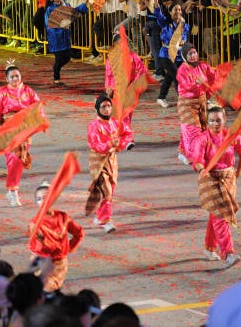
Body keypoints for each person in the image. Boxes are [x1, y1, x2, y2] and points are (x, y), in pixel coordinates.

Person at [188, 106, 241, 268]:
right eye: (211, 120)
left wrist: (238, 171)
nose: (215, 123)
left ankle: (209, 247)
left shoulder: (231, 136)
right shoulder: (202, 139)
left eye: (218, 120)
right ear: (207, 121)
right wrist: (201, 169)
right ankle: (228, 253)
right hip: (210, 179)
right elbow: (197, 160)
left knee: (216, 214)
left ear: (224, 120)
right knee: (221, 216)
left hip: (228, 179)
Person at [0, 64, 41, 207]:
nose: (15, 78)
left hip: (24, 129)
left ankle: (12, 189)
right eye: (12, 76)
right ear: (7, 78)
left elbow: (37, 107)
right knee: (13, 159)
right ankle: (13, 191)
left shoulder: (28, 91)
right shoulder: (2, 93)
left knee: (19, 160)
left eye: (17, 76)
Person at [85, 94, 133, 233]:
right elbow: (96, 144)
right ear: (97, 109)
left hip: (111, 159)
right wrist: (110, 143)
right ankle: (106, 220)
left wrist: (121, 144)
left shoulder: (115, 122)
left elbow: (127, 133)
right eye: (103, 107)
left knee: (110, 189)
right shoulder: (94, 126)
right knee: (106, 190)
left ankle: (100, 215)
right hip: (98, 160)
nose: (107, 109)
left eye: (109, 106)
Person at [28, 181, 84, 292]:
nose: (42, 201)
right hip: (43, 262)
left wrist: (67, 249)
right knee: (44, 290)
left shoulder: (63, 217)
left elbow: (79, 233)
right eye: (39, 199)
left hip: (59, 263)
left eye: (45, 198)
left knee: (52, 290)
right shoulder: (35, 223)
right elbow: (37, 249)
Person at [175, 43, 216, 165]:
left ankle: (184, 153)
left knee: (203, 129)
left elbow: (213, 78)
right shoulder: (182, 70)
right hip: (187, 104)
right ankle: (196, 157)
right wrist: (197, 83)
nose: (193, 56)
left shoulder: (204, 66)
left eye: (194, 52)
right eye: (190, 54)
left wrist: (207, 93)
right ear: (185, 56)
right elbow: (186, 85)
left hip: (201, 102)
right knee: (193, 129)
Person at [104, 33, 147, 141]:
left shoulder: (133, 56)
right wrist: (109, 88)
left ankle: (122, 134)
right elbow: (109, 75)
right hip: (118, 89)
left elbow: (143, 70)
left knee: (127, 113)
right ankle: (126, 136)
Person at [44, 0, 88, 85]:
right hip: (56, 37)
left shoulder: (65, 5)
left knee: (67, 56)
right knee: (59, 57)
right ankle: (56, 77)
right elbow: (49, 23)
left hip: (65, 36)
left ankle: (56, 68)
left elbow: (75, 11)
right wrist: (60, 25)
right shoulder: (49, 9)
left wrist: (84, 3)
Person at [155, 2, 189, 108]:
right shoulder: (165, 23)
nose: (178, 12)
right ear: (170, 12)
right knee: (177, 75)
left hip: (179, 55)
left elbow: (184, 38)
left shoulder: (184, 25)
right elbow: (159, 16)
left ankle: (161, 97)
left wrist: (181, 39)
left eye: (179, 10)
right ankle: (182, 98)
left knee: (169, 77)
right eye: (175, 10)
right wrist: (157, 6)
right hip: (166, 54)